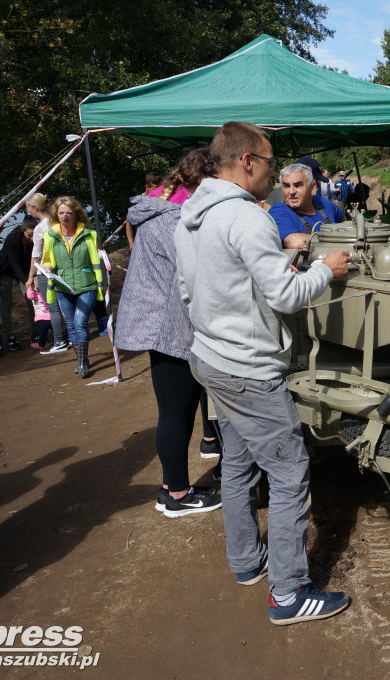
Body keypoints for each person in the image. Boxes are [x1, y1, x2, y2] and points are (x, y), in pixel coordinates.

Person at [175, 120, 352, 625]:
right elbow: (287, 295)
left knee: (236, 463)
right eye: (272, 162)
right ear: (247, 160)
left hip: (209, 357)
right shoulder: (247, 219)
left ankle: (246, 562)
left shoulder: (189, 214)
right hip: (249, 370)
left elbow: (193, 290)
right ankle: (289, 594)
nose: (276, 174)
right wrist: (327, 269)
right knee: (290, 471)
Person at [115, 147, 223, 518]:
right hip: (167, 325)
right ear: (199, 184)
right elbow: (198, 273)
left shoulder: (165, 208)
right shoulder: (174, 219)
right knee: (176, 412)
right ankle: (175, 492)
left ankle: (184, 476)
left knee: (183, 407)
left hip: (164, 321)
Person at [41, 197, 104, 378]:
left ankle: (84, 363)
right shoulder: (49, 236)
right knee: (70, 325)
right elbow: (46, 259)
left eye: (69, 213)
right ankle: (81, 361)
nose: (65, 216)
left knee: (79, 322)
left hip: (87, 285)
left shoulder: (89, 234)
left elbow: (96, 259)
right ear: (56, 215)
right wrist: (46, 267)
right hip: (63, 287)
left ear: (76, 214)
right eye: (61, 213)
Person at [25, 193, 68, 354]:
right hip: (62, 267)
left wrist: (31, 276)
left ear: (36, 208)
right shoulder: (57, 222)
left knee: (53, 307)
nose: (28, 211)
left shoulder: (40, 228)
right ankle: (69, 336)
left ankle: (59, 340)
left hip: (46, 271)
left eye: (29, 207)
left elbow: (35, 256)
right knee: (65, 304)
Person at [0, 216, 37, 350]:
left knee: (31, 299)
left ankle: (35, 332)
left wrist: (33, 276)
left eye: (34, 235)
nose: (32, 238)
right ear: (22, 230)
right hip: (5, 270)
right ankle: (10, 335)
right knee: (7, 302)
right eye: (29, 235)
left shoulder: (37, 239)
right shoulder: (12, 238)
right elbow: (14, 262)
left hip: (23, 270)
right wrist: (26, 280)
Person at [270, 163, 345, 250]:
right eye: (286, 186)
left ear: (312, 187)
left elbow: (342, 220)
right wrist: (337, 240)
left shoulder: (324, 203)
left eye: (297, 185)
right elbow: (294, 242)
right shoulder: (278, 211)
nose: (291, 192)